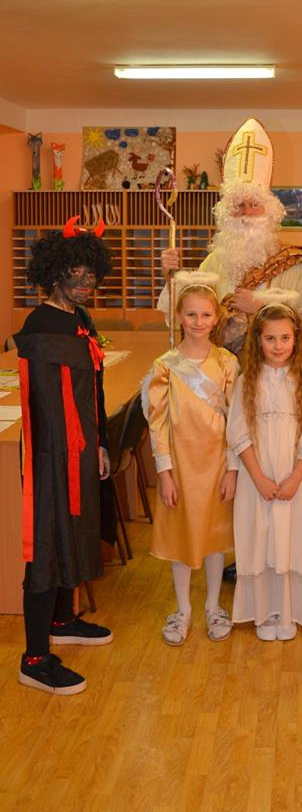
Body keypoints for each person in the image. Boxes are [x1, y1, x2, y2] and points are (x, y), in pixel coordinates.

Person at [16, 220, 114, 696]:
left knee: (71, 532)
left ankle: (62, 620)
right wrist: (62, 461)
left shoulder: (79, 319)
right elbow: (47, 407)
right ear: (54, 273)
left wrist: (99, 443)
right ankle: (34, 658)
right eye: (76, 273)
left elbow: (92, 388)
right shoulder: (41, 326)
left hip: (78, 449)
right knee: (47, 544)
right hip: (51, 456)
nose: (85, 282)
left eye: (91, 274)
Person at [159, 118, 302, 357]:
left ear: (269, 211)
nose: (246, 213)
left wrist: (261, 307)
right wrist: (171, 276)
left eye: (254, 205)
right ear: (225, 213)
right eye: (238, 205)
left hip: (273, 372)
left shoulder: (294, 266)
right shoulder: (214, 263)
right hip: (220, 372)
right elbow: (185, 313)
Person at [143, 274, 239, 645]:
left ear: (216, 319)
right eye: (191, 314)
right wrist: (164, 472)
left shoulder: (227, 363)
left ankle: (213, 605)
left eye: (205, 315)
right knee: (182, 534)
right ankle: (182, 609)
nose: (198, 322)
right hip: (180, 466)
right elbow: (158, 422)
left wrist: (233, 469)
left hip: (217, 465)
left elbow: (237, 421)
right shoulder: (165, 366)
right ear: (179, 317)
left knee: (215, 535)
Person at [226, 302, 302, 640]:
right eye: (270, 338)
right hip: (259, 474)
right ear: (258, 340)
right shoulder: (246, 382)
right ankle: (264, 611)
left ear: (296, 339)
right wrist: (258, 477)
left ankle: (289, 610)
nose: (279, 345)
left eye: (285, 338)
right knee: (261, 535)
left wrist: (295, 477)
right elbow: (237, 431)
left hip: (296, 475)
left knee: (292, 536)